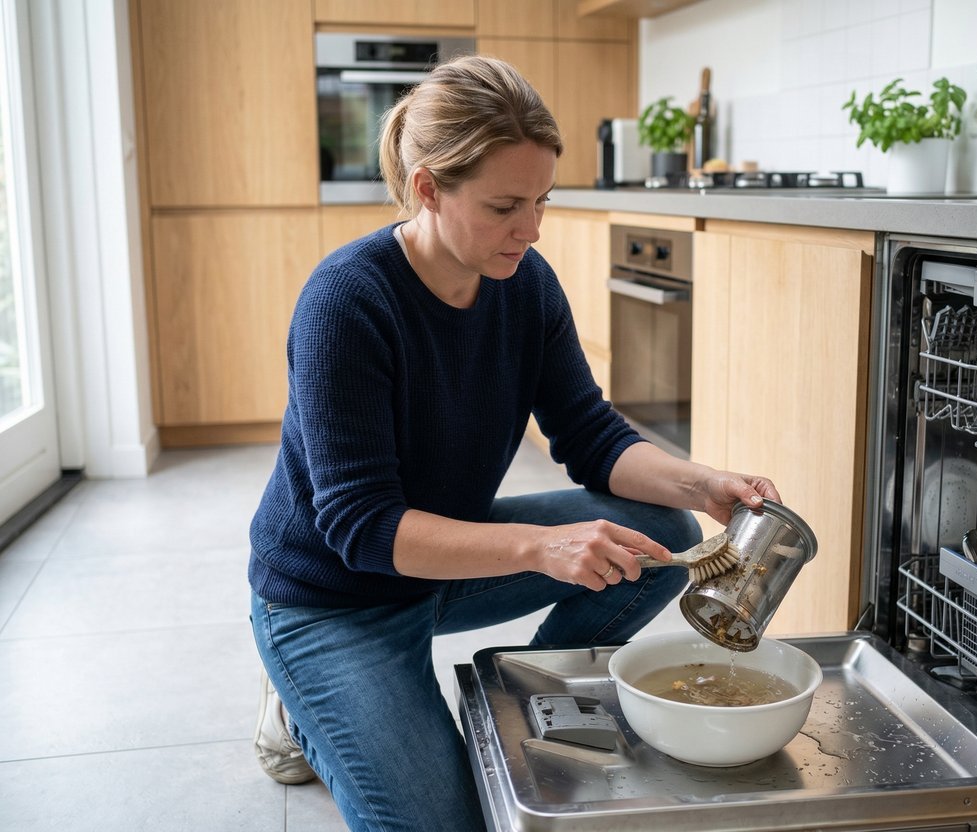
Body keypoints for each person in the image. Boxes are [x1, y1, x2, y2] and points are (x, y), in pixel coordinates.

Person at [247, 55, 782, 831]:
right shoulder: (346, 302)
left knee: (664, 532)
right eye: (505, 207)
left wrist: (702, 487)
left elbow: (590, 435)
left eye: (541, 202)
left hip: (440, 563)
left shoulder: (525, 283)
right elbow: (362, 528)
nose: (529, 231)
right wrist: (539, 548)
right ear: (428, 188)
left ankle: (527, 694)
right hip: (332, 599)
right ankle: (301, 707)